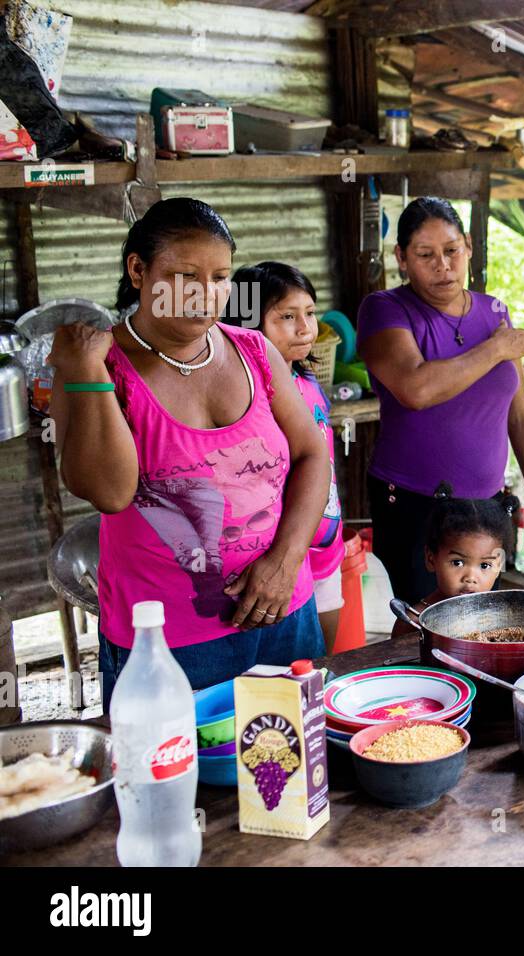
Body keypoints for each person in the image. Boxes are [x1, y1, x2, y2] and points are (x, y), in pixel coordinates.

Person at [47, 198, 330, 706]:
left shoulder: (254, 351)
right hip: (170, 642)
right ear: (138, 269)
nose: (206, 294)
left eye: (221, 277)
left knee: (289, 772)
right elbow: (110, 493)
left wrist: (286, 562)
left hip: (285, 612)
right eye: (185, 276)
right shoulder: (96, 363)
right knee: (181, 779)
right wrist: (87, 374)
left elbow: (313, 454)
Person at [358, 197, 524, 604]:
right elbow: (416, 390)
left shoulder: (494, 311)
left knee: (477, 624)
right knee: (414, 627)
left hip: (486, 511)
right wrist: (496, 350)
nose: (443, 266)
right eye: (425, 255)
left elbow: (520, 413)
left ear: (468, 246)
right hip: (413, 506)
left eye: (451, 251)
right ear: (402, 258)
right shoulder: (384, 309)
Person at [230, 261, 345, 651]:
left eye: (309, 313)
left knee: (321, 661)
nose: (305, 328)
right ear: (247, 323)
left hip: (327, 549)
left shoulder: (307, 381)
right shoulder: (250, 398)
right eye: (287, 317)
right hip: (281, 558)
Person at [392, 482, 518, 637]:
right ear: (431, 559)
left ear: (498, 565)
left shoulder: (503, 617)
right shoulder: (413, 622)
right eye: (457, 562)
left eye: (485, 565)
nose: (471, 578)